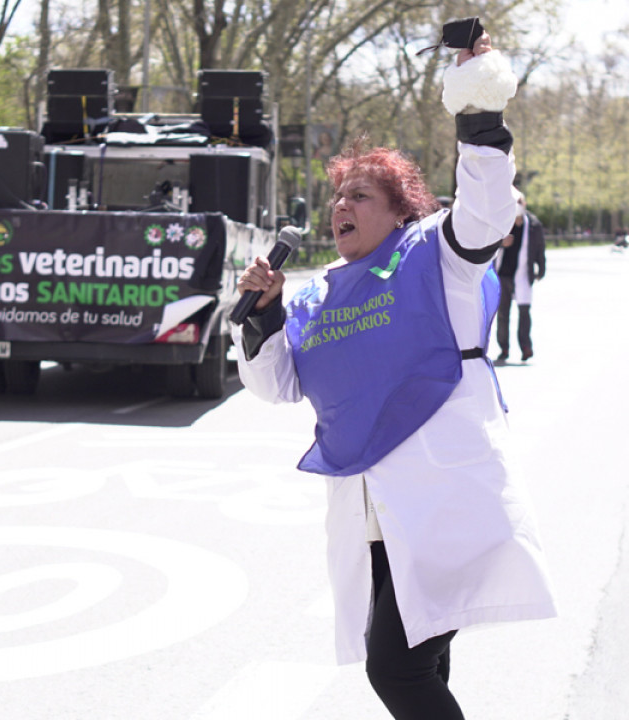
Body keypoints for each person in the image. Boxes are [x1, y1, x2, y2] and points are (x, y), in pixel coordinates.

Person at [231, 30, 555, 719]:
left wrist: (477, 110)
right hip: (371, 515)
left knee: (396, 670)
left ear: (402, 210)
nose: (341, 206)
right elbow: (274, 385)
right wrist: (261, 316)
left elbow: (487, 210)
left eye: (360, 195)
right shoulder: (319, 292)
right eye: (338, 196)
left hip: (441, 499)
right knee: (425, 661)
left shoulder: (437, 255)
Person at [494, 189, 546, 363]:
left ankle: (526, 347)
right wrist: (501, 243)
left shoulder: (533, 225)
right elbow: (487, 243)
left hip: (523, 275)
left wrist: (541, 267)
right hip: (503, 275)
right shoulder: (501, 223)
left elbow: (539, 248)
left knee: (524, 312)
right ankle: (504, 348)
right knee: (503, 313)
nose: (517, 206)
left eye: (520, 203)